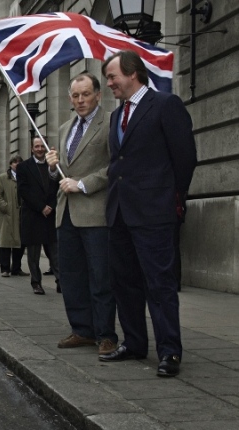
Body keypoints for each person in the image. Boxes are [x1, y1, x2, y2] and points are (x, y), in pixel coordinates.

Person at [99, 50, 197, 378]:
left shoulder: (166, 105)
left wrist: (171, 199)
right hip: (120, 214)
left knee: (159, 284)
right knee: (124, 284)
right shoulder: (116, 117)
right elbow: (119, 164)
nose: (109, 83)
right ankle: (135, 343)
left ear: (133, 74)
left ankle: (170, 351)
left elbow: (185, 159)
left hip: (154, 213)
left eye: (112, 76)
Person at [45, 72, 117, 356]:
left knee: (100, 277)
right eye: (75, 96)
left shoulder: (110, 122)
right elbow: (62, 173)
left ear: (98, 94)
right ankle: (82, 330)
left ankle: (106, 335)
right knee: (72, 277)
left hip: (95, 212)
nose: (81, 100)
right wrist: (53, 167)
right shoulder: (65, 128)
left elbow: (115, 166)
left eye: (86, 94)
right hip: (66, 214)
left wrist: (84, 184)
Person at [17, 136, 59, 295]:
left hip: (51, 215)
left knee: (55, 253)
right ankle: (36, 283)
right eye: (37, 146)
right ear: (32, 148)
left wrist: (51, 206)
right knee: (33, 255)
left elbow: (58, 187)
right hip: (33, 216)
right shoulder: (23, 167)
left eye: (42, 146)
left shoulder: (54, 166)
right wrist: (41, 207)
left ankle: (60, 281)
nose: (40, 149)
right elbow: (23, 191)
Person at [0, 156, 27, 277]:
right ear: (10, 164)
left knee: (20, 243)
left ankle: (16, 268)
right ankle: (5, 269)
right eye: (15, 163)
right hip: (7, 215)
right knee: (6, 243)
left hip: (22, 214)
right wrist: (6, 207)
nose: (17, 165)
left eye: (19, 163)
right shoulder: (3, 178)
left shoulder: (24, 177)